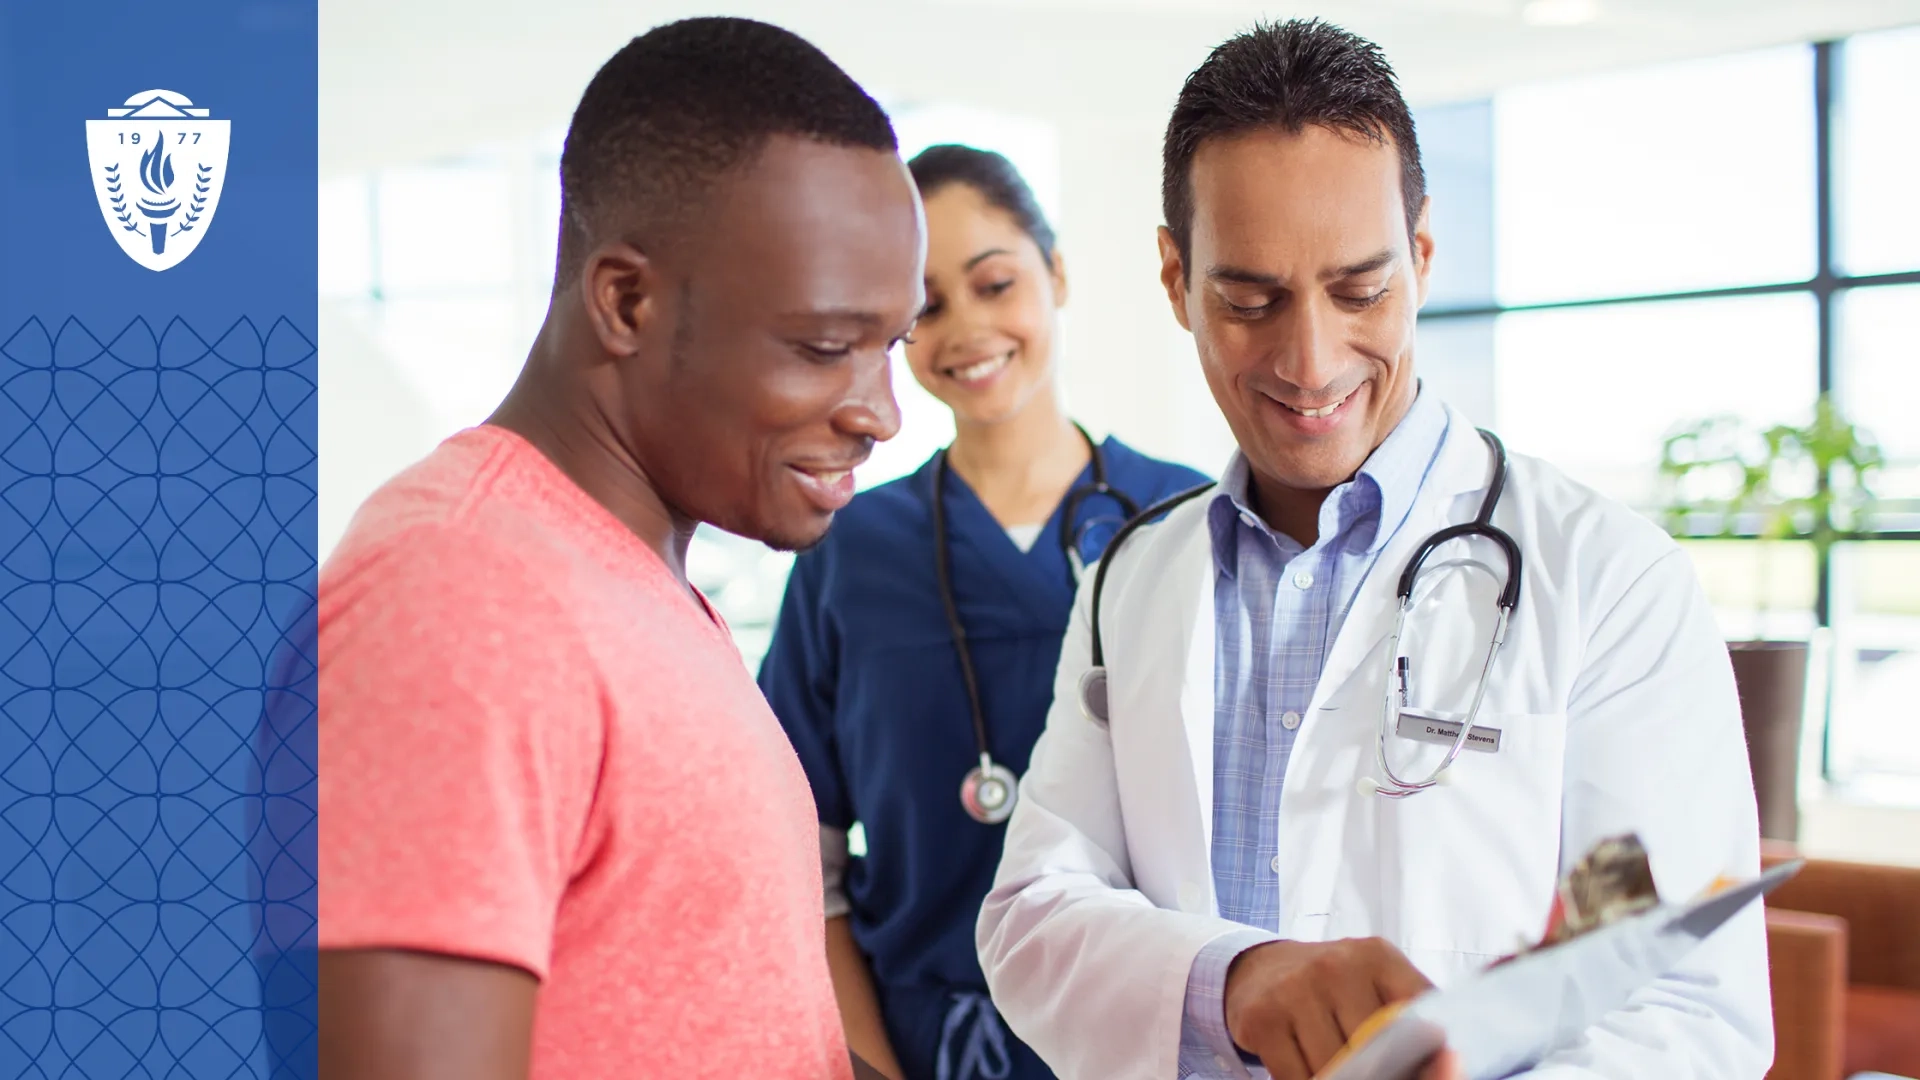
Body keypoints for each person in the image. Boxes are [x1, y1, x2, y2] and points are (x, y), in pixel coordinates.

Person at [976, 19, 1770, 1080]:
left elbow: (1683, 1001)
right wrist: (1238, 979)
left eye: (1360, 290)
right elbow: (1034, 911)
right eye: (1249, 299)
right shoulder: (1132, 580)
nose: (1311, 362)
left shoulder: (1610, 581)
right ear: (1175, 279)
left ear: (1424, 256)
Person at [316, 18, 924, 1080]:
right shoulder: (461, 594)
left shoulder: (622, 583)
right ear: (626, 302)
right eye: (826, 347)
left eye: (891, 348)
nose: (881, 414)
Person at [757, 145, 1210, 1080]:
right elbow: (799, 858)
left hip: (1147, 1046)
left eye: (994, 283)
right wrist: (869, 1066)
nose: (965, 329)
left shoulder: (1186, 523)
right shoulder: (849, 550)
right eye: (926, 306)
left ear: (1056, 276)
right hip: (921, 1046)